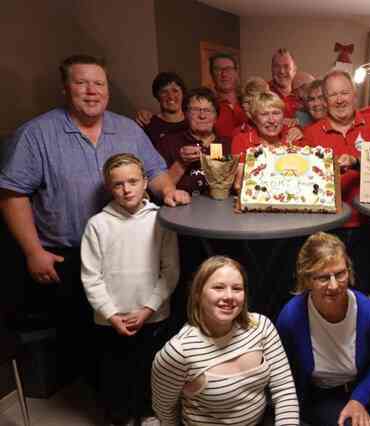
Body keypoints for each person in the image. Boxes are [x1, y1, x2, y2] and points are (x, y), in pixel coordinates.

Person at [0, 54, 188, 382]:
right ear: (65, 88)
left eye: (98, 83)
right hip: (68, 257)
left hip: (132, 253)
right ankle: (104, 405)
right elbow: (13, 193)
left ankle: (136, 399)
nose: (91, 91)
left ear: (107, 90)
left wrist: (168, 191)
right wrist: (33, 251)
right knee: (86, 342)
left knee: (138, 336)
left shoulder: (127, 129)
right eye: (81, 82)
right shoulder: (36, 134)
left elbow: (156, 171)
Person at [81, 153, 179, 426]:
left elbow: (170, 271)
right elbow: (91, 277)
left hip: (152, 316)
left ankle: (149, 414)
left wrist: (148, 309)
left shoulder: (161, 220)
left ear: (145, 182)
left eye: (133, 181)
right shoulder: (97, 225)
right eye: (118, 184)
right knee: (115, 376)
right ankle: (120, 417)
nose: (126, 189)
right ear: (109, 188)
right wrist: (111, 315)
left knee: (150, 371)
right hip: (111, 321)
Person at [151, 256, 299, 425]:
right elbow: (165, 411)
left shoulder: (262, 327)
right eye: (218, 287)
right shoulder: (178, 352)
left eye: (237, 288)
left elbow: (284, 392)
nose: (229, 296)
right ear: (198, 294)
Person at [276, 232, 370, 426]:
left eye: (340, 274)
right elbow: (285, 372)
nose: (334, 286)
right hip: (321, 395)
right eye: (323, 278)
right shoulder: (291, 316)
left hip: (363, 389)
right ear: (307, 279)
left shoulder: (368, 310)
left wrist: (358, 399)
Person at [303, 70, 370, 294]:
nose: (340, 99)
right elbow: (305, 182)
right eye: (333, 95)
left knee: (368, 288)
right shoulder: (310, 134)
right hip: (328, 227)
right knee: (332, 290)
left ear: (355, 94)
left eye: (344, 92)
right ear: (325, 99)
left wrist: (357, 160)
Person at [156, 87, 223, 195]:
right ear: (186, 114)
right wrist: (181, 163)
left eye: (208, 110)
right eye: (195, 110)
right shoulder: (168, 143)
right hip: (179, 208)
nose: (202, 116)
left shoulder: (227, 144)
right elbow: (158, 191)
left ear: (216, 117)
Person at [138, 72, 188, 147]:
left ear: (183, 94)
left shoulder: (192, 122)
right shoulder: (149, 124)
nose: (171, 96)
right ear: (157, 96)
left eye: (175, 91)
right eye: (164, 92)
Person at [270, 48, 303, 118]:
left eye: (286, 66)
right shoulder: (262, 92)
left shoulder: (304, 97)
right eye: (277, 66)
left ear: (294, 70)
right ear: (271, 69)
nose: (281, 71)